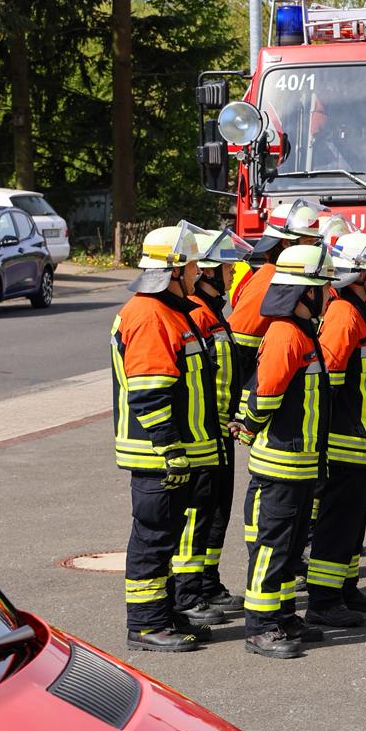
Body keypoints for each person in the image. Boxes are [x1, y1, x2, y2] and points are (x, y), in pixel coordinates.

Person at [110, 223, 219, 652]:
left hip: (172, 453)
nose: (198, 273)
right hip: (158, 455)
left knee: (165, 538)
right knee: (153, 539)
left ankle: (163, 612)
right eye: (192, 266)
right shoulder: (150, 315)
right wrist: (171, 448)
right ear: (173, 271)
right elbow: (150, 392)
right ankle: (145, 624)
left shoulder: (168, 310)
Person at [227, 243, 334, 659]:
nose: (328, 293)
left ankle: (284, 617)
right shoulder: (286, 334)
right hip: (281, 465)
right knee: (272, 547)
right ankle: (260, 627)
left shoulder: (302, 332)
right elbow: (266, 394)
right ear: (305, 292)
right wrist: (250, 423)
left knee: (288, 549)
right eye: (322, 287)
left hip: (300, 463)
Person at [305, 231, 366, 629]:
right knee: (336, 524)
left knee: (350, 524)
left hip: (358, 443)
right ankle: (323, 601)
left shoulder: (357, 312)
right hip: (344, 444)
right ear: (359, 274)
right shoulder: (344, 315)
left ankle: (343, 589)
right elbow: (328, 383)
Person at [174, 228, 254, 625]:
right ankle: (186, 593)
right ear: (205, 272)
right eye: (226, 267)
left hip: (219, 430)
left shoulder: (212, 311)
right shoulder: (195, 312)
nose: (232, 273)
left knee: (216, 513)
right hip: (200, 434)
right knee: (197, 515)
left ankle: (207, 583)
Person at [228, 197, 325, 376]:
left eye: (314, 243)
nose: (313, 250)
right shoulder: (268, 280)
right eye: (307, 243)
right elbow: (239, 345)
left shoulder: (292, 278)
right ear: (285, 243)